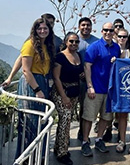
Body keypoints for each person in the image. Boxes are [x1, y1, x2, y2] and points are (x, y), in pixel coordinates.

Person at [15, 18, 55, 160]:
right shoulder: (30, 44)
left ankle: (38, 156)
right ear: (35, 30)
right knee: (30, 121)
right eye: (40, 29)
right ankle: (26, 158)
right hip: (31, 84)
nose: (42, 31)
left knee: (40, 121)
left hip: (42, 81)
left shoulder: (46, 45)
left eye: (45, 28)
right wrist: (37, 90)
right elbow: (25, 70)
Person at [81, 22, 121, 157]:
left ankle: (99, 139)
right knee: (88, 117)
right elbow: (87, 67)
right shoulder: (94, 47)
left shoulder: (116, 48)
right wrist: (90, 86)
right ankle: (85, 142)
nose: (108, 32)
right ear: (102, 31)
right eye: (106, 30)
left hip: (109, 90)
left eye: (111, 30)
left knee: (106, 117)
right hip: (95, 88)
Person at [1, 13, 62, 87]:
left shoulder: (57, 41)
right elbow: (21, 59)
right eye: (47, 23)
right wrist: (10, 78)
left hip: (48, 79)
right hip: (32, 80)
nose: (49, 25)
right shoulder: (31, 41)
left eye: (51, 23)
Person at [51, 32, 84, 165]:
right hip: (62, 92)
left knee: (67, 121)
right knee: (65, 120)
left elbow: (79, 72)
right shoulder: (60, 57)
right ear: (66, 42)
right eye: (71, 41)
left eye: (76, 42)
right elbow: (56, 77)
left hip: (74, 91)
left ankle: (59, 147)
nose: (74, 44)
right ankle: (62, 153)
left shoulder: (79, 55)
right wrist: (63, 97)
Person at [76, 17, 99, 141]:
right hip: (74, 79)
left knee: (86, 108)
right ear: (79, 26)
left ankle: (83, 132)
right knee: (72, 107)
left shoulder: (96, 41)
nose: (86, 27)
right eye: (83, 25)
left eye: (88, 25)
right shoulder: (74, 40)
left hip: (90, 80)